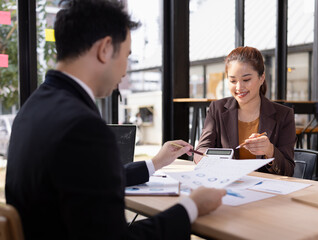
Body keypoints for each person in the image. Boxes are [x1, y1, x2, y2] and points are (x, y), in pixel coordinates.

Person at [5, 1, 226, 239]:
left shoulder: (33, 108)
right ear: (105, 49)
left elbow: (83, 180)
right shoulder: (84, 127)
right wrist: (192, 207)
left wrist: (154, 163)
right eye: (127, 56)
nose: (126, 70)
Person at [195, 46, 296, 176]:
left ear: (261, 78)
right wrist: (213, 161)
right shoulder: (217, 109)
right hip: (226, 189)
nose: (239, 87)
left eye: (246, 80)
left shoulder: (284, 115)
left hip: (265, 191)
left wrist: (270, 150)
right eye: (232, 80)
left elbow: (288, 171)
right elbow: (201, 151)